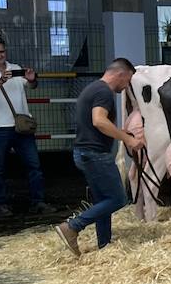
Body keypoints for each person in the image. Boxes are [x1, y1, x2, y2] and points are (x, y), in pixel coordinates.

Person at [53, 58, 142, 257]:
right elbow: (99, 121)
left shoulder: (92, 88)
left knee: (104, 200)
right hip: (95, 154)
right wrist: (127, 139)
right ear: (121, 74)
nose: (127, 86)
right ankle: (72, 227)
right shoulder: (104, 92)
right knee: (118, 199)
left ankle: (104, 244)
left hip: (84, 153)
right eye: (128, 80)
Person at [0, 35, 48, 217]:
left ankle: (38, 201)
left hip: (20, 125)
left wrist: (31, 79)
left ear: (5, 51)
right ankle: (0, 204)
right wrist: (1, 81)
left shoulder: (16, 69)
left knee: (34, 165)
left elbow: (33, 86)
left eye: (1, 52)